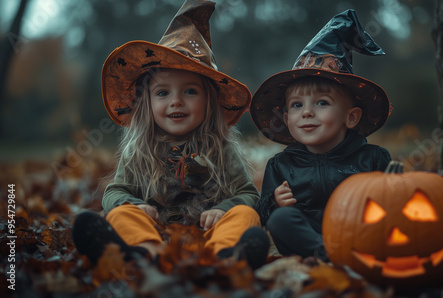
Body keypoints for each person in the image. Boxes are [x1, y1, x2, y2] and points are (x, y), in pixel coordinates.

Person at [72, 0, 269, 270]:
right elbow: (116, 190)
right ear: (147, 102)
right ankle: (144, 254)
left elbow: (248, 193)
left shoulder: (221, 148)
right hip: (157, 234)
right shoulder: (139, 149)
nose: (176, 101)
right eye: (163, 93)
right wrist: (134, 205)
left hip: (207, 237)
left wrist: (223, 209)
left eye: (190, 91)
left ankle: (223, 258)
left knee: (245, 213)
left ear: (209, 100)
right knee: (120, 212)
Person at [250, 10, 392, 261]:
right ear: (286, 120)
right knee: (282, 220)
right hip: (307, 235)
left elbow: (393, 205)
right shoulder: (281, 165)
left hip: (357, 230)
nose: (306, 113)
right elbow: (262, 215)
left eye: (321, 103)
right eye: (296, 105)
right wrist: (274, 202)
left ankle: (344, 254)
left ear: (351, 117)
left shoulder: (373, 159)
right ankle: (333, 256)